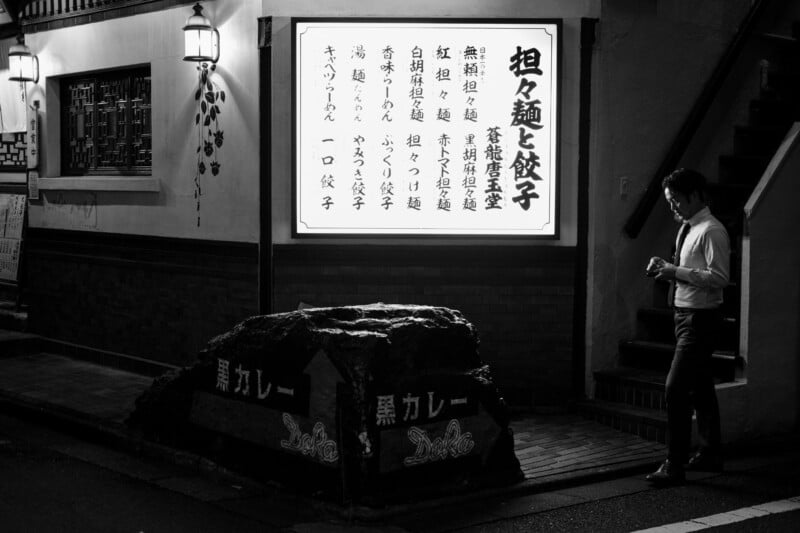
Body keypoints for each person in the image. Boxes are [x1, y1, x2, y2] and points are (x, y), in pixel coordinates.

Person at [644, 168, 730, 485]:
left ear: (694, 196)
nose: (673, 208)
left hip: (700, 319)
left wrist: (676, 271)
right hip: (684, 315)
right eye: (670, 202)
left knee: (675, 388)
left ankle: (674, 464)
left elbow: (720, 278)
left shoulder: (712, 231)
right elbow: (686, 268)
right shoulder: (688, 229)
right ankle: (710, 453)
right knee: (700, 387)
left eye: (677, 201)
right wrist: (665, 268)